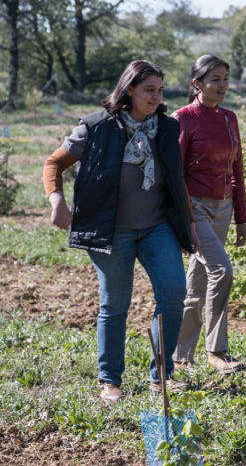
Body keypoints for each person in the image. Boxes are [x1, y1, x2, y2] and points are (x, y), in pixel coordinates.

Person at [43, 60, 198, 404]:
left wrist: (189, 224)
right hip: (110, 231)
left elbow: (177, 181)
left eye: (160, 90)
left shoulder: (167, 129)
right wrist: (57, 200)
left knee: (174, 294)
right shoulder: (96, 128)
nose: (157, 97)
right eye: (149, 90)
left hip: (158, 227)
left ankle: (162, 375)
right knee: (115, 304)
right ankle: (110, 381)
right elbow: (54, 163)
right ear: (129, 89)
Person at [171, 54, 246, 374]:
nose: (222, 85)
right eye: (214, 79)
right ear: (197, 84)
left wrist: (241, 217)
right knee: (222, 271)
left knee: (197, 285)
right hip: (195, 208)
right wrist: (181, 220)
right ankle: (217, 350)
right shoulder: (183, 118)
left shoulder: (230, 118)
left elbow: (237, 170)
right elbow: (174, 174)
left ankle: (180, 355)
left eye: (226, 79)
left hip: (223, 208)